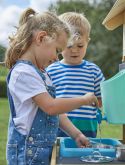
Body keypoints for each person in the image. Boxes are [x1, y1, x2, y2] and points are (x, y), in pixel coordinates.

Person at [5, 8, 98, 165]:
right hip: (27, 154)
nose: (57, 58)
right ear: (41, 38)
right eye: (57, 50)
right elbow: (51, 107)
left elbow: (56, 113)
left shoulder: (41, 73)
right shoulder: (24, 73)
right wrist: (83, 100)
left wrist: (76, 134)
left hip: (40, 153)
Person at [46, 12, 105, 138]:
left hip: (88, 129)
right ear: (59, 43)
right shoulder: (51, 71)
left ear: (87, 42)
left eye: (80, 45)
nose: (74, 50)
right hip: (58, 128)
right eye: (69, 46)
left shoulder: (94, 71)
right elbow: (47, 102)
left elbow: (101, 99)